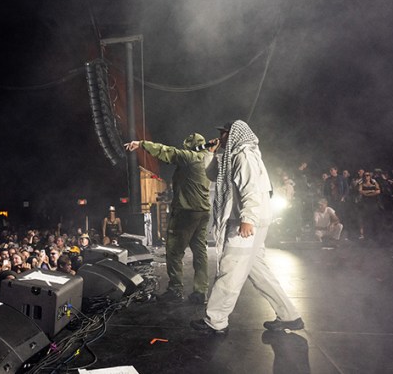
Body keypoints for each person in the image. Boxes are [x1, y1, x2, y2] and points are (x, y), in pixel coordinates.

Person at [191, 120, 304, 335]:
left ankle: (216, 321)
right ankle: (290, 316)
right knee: (258, 271)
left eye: (224, 134)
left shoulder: (244, 156)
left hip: (246, 223)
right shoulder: (234, 156)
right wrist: (210, 154)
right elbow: (214, 175)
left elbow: (251, 189)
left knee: (230, 270)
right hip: (252, 221)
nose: (221, 138)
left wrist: (247, 219)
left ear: (234, 134)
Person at [125, 132, 214, 304]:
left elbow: (167, 152)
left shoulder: (191, 158)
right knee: (200, 252)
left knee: (174, 251)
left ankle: (175, 290)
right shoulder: (208, 159)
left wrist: (142, 144)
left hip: (186, 212)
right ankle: (200, 292)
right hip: (202, 212)